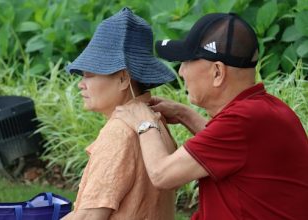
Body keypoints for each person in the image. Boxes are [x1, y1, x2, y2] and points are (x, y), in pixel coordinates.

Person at [113, 13, 308, 219]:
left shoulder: (242, 120)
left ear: (217, 72)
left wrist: (143, 120)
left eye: (187, 62)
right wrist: (182, 113)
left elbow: (162, 175)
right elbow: (228, 151)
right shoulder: (265, 109)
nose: (181, 72)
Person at [62, 8, 178, 220]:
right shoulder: (155, 123)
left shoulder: (119, 132)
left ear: (124, 79)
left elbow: (89, 217)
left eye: (89, 74)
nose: (81, 84)